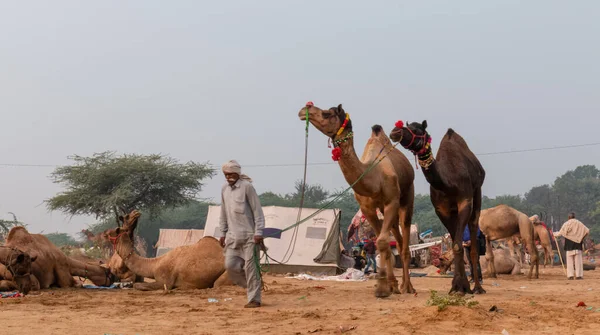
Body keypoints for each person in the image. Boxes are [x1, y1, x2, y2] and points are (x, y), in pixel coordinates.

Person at [218, 160, 265, 308]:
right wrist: (222, 233)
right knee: (230, 266)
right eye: (226, 174)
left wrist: (259, 232)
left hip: (250, 236)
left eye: (231, 174)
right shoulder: (224, 189)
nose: (228, 177)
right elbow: (223, 213)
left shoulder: (247, 188)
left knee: (251, 269)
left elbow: (258, 211)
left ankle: (254, 299)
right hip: (232, 237)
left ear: (237, 173)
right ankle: (254, 285)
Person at [555, 212, 589, 280]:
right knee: (578, 261)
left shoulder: (566, 223)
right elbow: (587, 231)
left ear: (568, 217)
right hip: (578, 244)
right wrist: (581, 238)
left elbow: (560, 232)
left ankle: (570, 275)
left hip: (569, 245)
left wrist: (554, 234)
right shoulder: (579, 223)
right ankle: (579, 275)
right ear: (574, 217)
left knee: (569, 261)